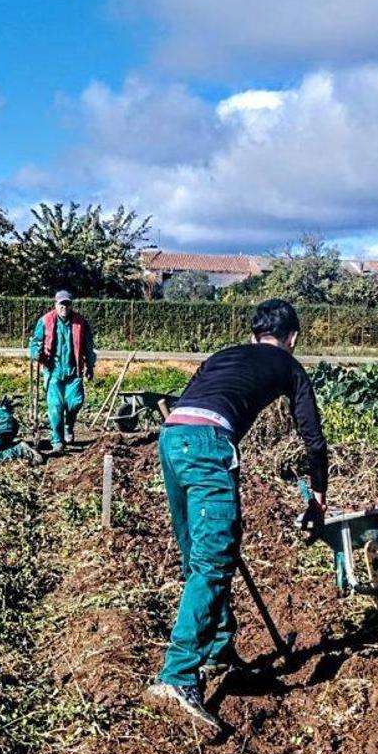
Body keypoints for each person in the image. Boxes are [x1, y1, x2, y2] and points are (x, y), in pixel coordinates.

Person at [145, 298, 329, 732]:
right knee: (212, 563)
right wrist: (318, 496)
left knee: (199, 557)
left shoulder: (222, 355)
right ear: (293, 338)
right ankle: (178, 675)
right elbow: (313, 439)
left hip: (172, 440)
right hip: (209, 444)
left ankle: (220, 648)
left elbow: (189, 396)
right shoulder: (289, 365)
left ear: (252, 335)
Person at [27, 290, 96, 454]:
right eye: (61, 304)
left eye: (67, 304)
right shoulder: (45, 321)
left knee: (75, 402)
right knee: (56, 407)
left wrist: (90, 366)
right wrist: (34, 353)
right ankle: (57, 440)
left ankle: (69, 426)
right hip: (53, 371)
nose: (64, 307)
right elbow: (35, 342)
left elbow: (88, 346)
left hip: (74, 371)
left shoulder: (80, 322)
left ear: (71, 304)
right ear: (56, 304)